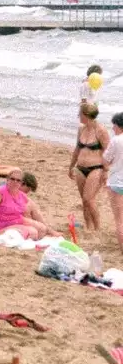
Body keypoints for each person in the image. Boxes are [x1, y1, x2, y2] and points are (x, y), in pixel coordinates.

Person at [70, 101, 108, 236]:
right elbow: (77, 148)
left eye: (80, 114)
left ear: (86, 115)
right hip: (80, 168)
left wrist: (106, 171)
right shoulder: (81, 128)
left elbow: (108, 152)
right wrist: (71, 166)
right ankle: (88, 227)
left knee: (89, 199)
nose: (78, 116)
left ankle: (97, 228)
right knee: (84, 200)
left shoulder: (101, 130)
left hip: (96, 168)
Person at [0, 169, 52, 240]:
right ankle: (48, 231)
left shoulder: (17, 192)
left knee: (38, 223)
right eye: (27, 190)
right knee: (30, 210)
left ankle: (48, 230)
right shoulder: (3, 191)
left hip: (10, 221)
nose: (27, 193)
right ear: (23, 184)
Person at [105, 112, 123, 256]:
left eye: (114, 126)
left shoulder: (116, 140)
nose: (113, 128)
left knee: (119, 219)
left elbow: (105, 161)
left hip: (117, 182)